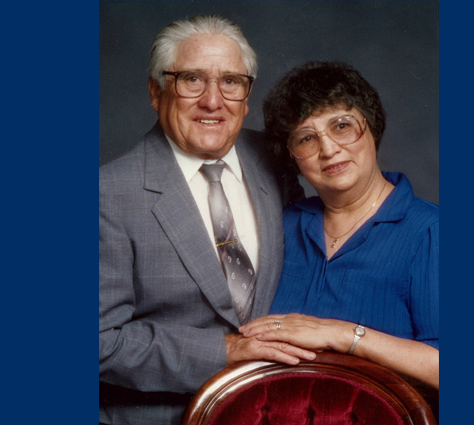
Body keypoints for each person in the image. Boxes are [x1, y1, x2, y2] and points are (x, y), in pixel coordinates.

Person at [99, 15, 312, 425]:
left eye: (230, 81)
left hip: (272, 411)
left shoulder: (272, 157)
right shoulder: (108, 194)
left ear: (247, 97)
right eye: (192, 79)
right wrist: (227, 351)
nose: (212, 101)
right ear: (156, 91)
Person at [241, 61, 440, 390]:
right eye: (306, 138)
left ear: (371, 128)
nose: (329, 149)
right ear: (292, 155)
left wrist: (344, 334)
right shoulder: (281, 225)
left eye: (342, 126)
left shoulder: (432, 231)